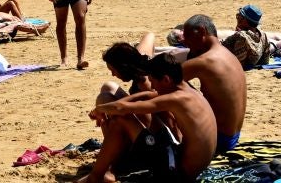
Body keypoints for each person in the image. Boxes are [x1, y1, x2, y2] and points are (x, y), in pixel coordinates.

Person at [82, 54, 217, 183]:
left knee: (121, 120)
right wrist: (114, 104)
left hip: (177, 173)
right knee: (130, 115)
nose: (152, 86)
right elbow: (148, 95)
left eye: (153, 82)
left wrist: (98, 110)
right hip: (186, 161)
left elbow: (121, 109)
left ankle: (95, 177)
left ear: (166, 79)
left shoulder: (176, 99)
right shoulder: (187, 90)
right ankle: (110, 167)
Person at [181, 14, 246, 153]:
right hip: (233, 137)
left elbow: (163, 80)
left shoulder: (205, 61)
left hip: (218, 140)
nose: (185, 42)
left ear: (202, 32)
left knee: (166, 87)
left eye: (187, 36)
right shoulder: (229, 55)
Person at [222, 5, 270, 69]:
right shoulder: (263, 36)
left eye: (239, 16)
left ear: (244, 20)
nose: (237, 17)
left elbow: (237, 64)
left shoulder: (242, 37)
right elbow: (265, 62)